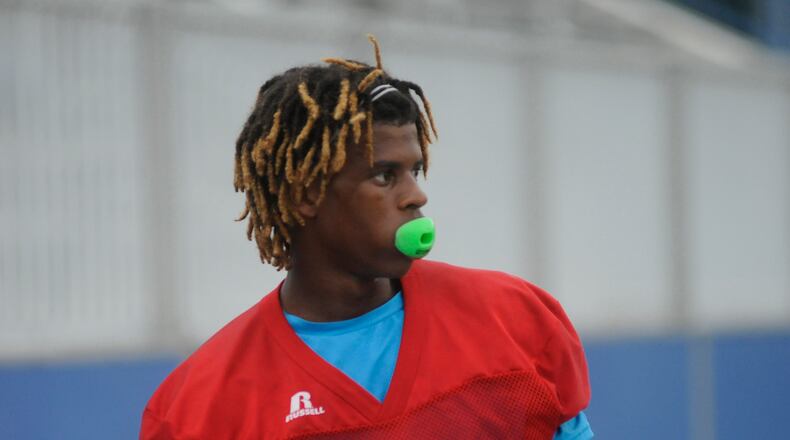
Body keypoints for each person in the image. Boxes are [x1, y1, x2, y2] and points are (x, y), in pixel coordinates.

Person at [140, 35, 593, 439]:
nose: (416, 195)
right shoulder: (199, 409)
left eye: (414, 170)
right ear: (306, 193)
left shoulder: (513, 319)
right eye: (383, 176)